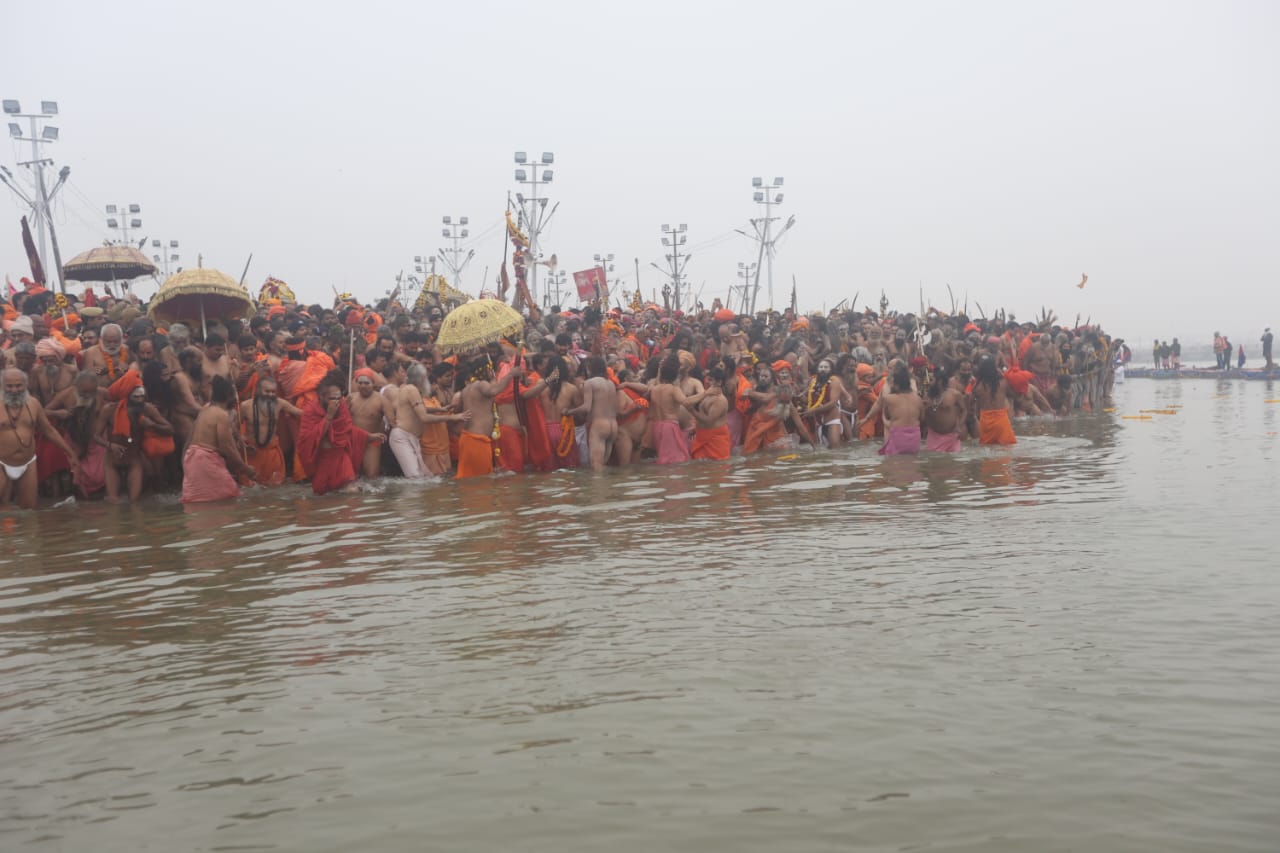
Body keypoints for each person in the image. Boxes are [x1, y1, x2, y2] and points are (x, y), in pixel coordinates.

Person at [1, 368, 80, 509]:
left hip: (27, 462)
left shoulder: (34, 403)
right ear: (2, 386)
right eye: (9, 386)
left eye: (18, 385)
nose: (14, 390)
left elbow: (49, 430)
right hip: (2, 462)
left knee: (28, 509)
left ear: (25, 385)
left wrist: (70, 452)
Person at [298, 372, 376, 494]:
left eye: (339, 397)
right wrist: (329, 416)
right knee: (320, 494)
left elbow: (348, 429)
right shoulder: (310, 410)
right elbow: (307, 439)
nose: (337, 401)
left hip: (341, 456)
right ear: (322, 396)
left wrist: (368, 436)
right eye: (332, 398)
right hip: (322, 459)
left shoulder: (342, 406)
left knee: (351, 492)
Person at [182, 375, 256, 502]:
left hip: (191, 459)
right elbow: (227, 448)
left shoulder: (205, 409)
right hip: (205, 462)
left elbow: (190, 440)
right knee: (229, 498)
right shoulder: (221, 415)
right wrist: (246, 469)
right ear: (229, 397)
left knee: (197, 501)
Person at [456, 356, 520, 478]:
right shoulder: (481, 384)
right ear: (487, 370)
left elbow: (457, 410)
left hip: (467, 438)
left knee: (470, 479)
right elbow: (494, 391)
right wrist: (510, 374)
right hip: (477, 440)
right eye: (492, 369)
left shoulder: (466, 389)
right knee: (482, 482)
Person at [239, 377, 302, 486]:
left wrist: (324, 412)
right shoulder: (245, 406)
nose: (271, 394)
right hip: (252, 454)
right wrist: (242, 442)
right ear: (258, 390)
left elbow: (301, 413)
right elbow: (232, 429)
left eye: (273, 392)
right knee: (250, 488)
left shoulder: (280, 403)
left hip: (272, 454)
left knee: (274, 488)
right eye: (267, 391)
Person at [567, 356, 619, 472]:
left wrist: (569, 412)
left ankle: (597, 490)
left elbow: (586, 407)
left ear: (590, 368)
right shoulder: (611, 384)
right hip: (613, 426)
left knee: (596, 467)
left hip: (599, 426)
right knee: (603, 465)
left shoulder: (589, 383)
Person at [858, 364, 922, 455]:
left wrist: (886, 418)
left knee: (893, 460)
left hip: (898, 427)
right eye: (889, 367)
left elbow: (887, 414)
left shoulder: (911, 384)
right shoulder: (886, 384)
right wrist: (866, 418)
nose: (889, 370)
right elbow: (879, 403)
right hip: (900, 430)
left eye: (892, 367)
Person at [348, 367, 395, 478]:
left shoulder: (381, 400)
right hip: (353, 441)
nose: (363, 386)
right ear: (356, 383)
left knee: (372, 477)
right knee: (352, 477)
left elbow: (392, 422)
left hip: (372, 442)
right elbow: (342, 420)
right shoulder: (350, 398)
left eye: (366, 383)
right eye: (360, 383)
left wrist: (386, 435)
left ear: (373, 384)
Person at [388, 363, 433, 479]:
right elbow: (424, 417)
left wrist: (440, 409)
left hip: (410, 437)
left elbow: (409, 409)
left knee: (423, 477)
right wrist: (453, 417)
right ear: (422, 378)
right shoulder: (411, 389)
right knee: (415, 478)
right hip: (403, 436)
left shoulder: (407, 389)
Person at [684, 366, 731, 460]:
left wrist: (692, 411)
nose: (706, 382)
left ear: (719, 382)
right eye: (707, 379)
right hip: (701, 435)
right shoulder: (707, 394)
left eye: (710, 380)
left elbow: (709, 421)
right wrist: (705, 394)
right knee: (700, 469)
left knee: (715, 470)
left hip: (715, 440)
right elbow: (686, 402)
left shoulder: (720, 400)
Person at [972, 357, 1016, 445]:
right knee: (1007, 448)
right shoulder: (1003, 383)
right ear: (995, 368)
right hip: (1001, 419)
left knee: (987, 447)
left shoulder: (978, 387)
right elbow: (1013, 394)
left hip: (985, 420)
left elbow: (972, 402)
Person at [923, 366, 965, 451]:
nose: (929, 383)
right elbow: (924, 414)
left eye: (931, 380)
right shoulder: (928, 396)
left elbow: (964, 410)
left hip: (952, 437)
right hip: (933, 437)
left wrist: (959, 425)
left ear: (940, 382)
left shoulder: (954, 394)